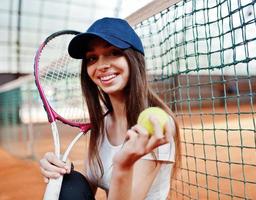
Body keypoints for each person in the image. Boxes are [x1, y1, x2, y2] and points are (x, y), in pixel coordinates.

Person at [39, 17, 181, 200]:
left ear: (134, 59)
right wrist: (60, 170)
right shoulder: (102, 123)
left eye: (114, 52)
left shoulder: (155, 125)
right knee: (68, 182)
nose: (101, 65)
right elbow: (85, 188)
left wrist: (123, 166)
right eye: (92, 58)